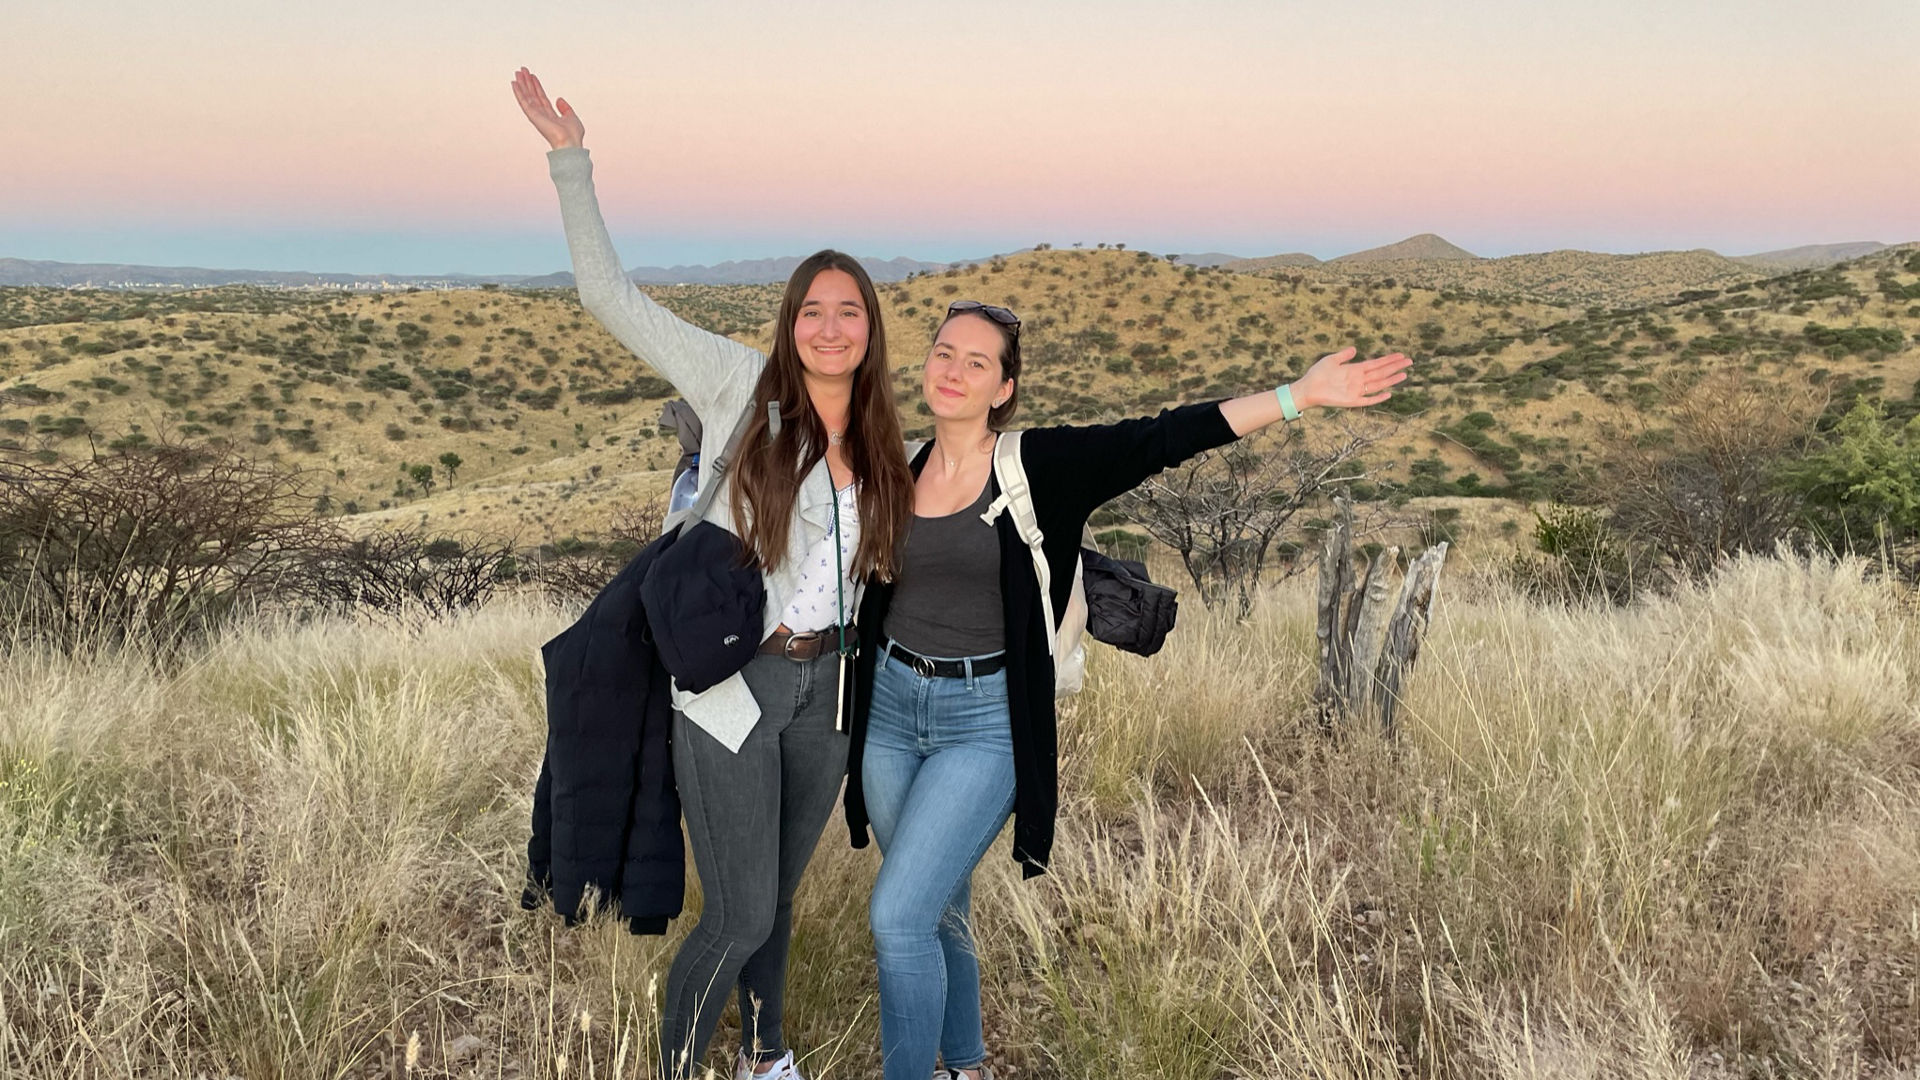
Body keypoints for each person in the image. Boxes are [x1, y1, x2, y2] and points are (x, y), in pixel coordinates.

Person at [846, 301, 1411, 1080]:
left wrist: (1297, 396)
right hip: (889, 712)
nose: (953, 371)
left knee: (897, 915)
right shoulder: (899, 468)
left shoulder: (1040, 466)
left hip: (986, 721)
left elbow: (1162, 437)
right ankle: (966, 1064)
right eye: (944, 353)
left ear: (1004, 387)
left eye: (977, 362)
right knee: (937, 904)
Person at [511, 68, 914, 1080]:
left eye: (849, 312)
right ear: (790, 322)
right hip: (737, 683)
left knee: (771, 896)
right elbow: (609, 297)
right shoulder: (739, 383)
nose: (829, 326)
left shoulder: (880, 435)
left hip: (832, 690)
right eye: (812, 309)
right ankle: (682, 1065)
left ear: (870, 330)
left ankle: (766, 1056)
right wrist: (571, 161)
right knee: (733, 908)